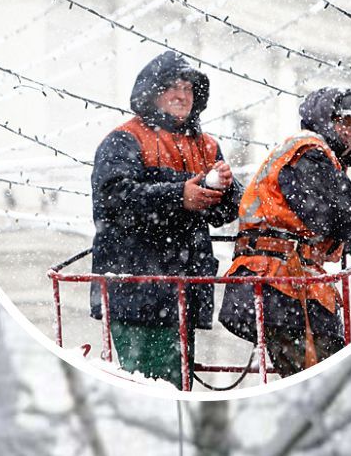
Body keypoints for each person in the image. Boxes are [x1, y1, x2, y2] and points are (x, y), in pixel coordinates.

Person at [218, 87, 351, 376]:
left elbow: (336, 213)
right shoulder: (308, 152)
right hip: (275, 280)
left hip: (295, 284)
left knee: (327, 372)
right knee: (316, 375)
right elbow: (338, 212)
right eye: (343, 122)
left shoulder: (321, 159)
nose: (350, 132)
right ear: (323, 119)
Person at [90, 51, 243, 388]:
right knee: (152, 386)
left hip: (181, 293)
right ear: (151, 92)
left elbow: (225, 210)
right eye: (172, 87)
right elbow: (116, 199)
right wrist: (181, 197)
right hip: (137, 291)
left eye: (188, 88)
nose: (182, 95)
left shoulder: (206, 146)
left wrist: (227, 189)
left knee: (174, 384)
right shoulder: (125, 138)